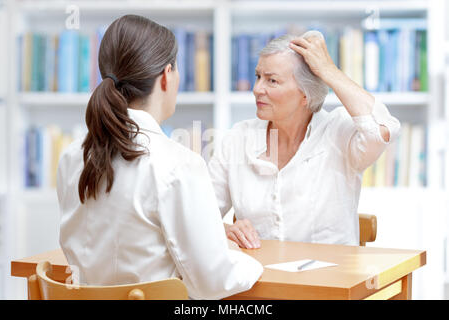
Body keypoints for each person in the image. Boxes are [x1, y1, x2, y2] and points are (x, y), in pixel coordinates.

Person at [56, 15, 263, 300]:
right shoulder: (178, 164)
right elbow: (213, 281)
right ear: (167, 75)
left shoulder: (71, 156)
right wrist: (252, 263)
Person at [208, 31, 401, 248]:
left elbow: (382, 130)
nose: (257, 89)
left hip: (329, 278)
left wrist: (328, 70)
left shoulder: (338, 132)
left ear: (305, 95)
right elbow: (198, 216)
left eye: (272, 80)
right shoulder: (238, 138)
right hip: (261, 276)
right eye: (258, 76)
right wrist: (227, 230)